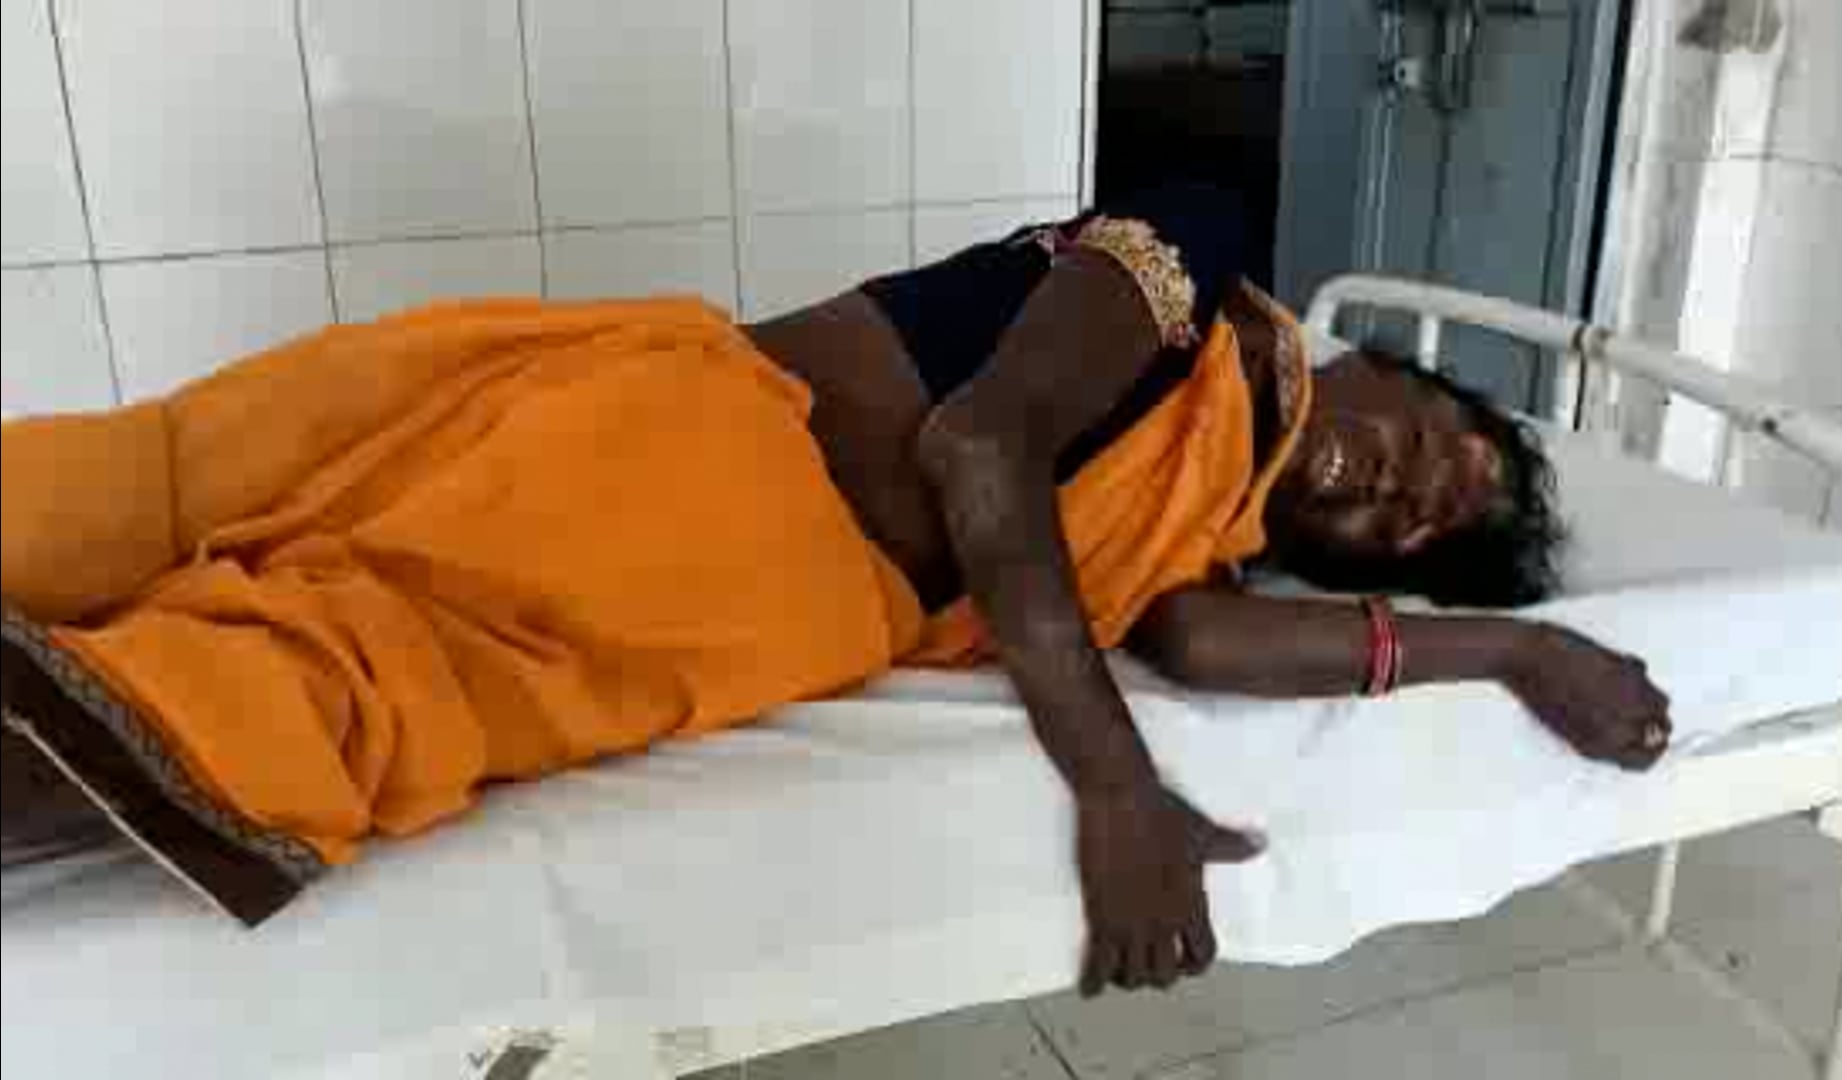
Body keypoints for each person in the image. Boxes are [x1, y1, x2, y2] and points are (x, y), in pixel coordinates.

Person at [0, 185, 1670, 995]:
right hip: (709, 478)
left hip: (713, 533)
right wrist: (1116, 789)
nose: (1404, 491)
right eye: (1441, 447)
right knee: (296, 632)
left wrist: (1517, 651)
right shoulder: (1172, 281)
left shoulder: (1195, 532)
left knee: (251, 574)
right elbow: (982, 451)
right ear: (1383, 368)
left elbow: (1199, 634)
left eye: (1411, 534)